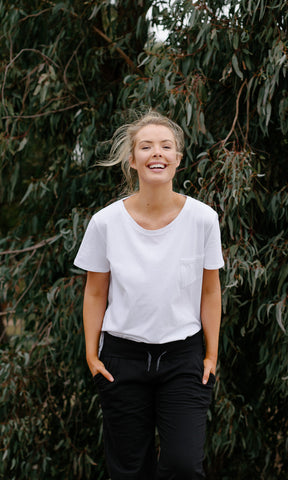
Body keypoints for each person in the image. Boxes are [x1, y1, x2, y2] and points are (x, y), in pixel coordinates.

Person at [74, 111, 224, 480]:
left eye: (166, 146)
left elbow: (210, 290)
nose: (156, 153)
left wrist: (211, 354)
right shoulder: (105, 222)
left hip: (184, 359)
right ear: (132, 159)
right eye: (146, 146)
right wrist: (92, 355)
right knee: (128, 470)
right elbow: (95, 293)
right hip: (122, 361)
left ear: (178, 158)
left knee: (184, 466)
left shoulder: (203, 219)